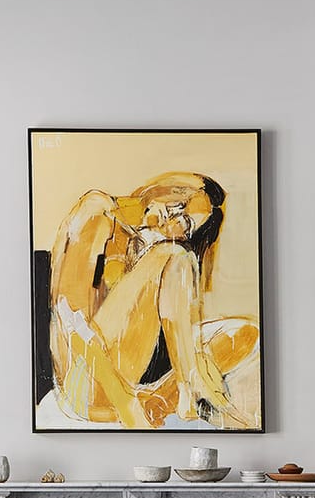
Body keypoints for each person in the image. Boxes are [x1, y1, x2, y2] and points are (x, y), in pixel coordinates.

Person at [45, 172, 260, 429]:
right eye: (179, 206)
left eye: (187, 224)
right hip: (87, 382)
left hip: (134, 377)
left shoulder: (147, 249)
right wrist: (126, 404)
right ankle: (190, 392)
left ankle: (163, 401)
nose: (175, 221)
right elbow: (71, 322)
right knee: (176, 256)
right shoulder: (97, 212)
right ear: (168, 189)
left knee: (244, 333)